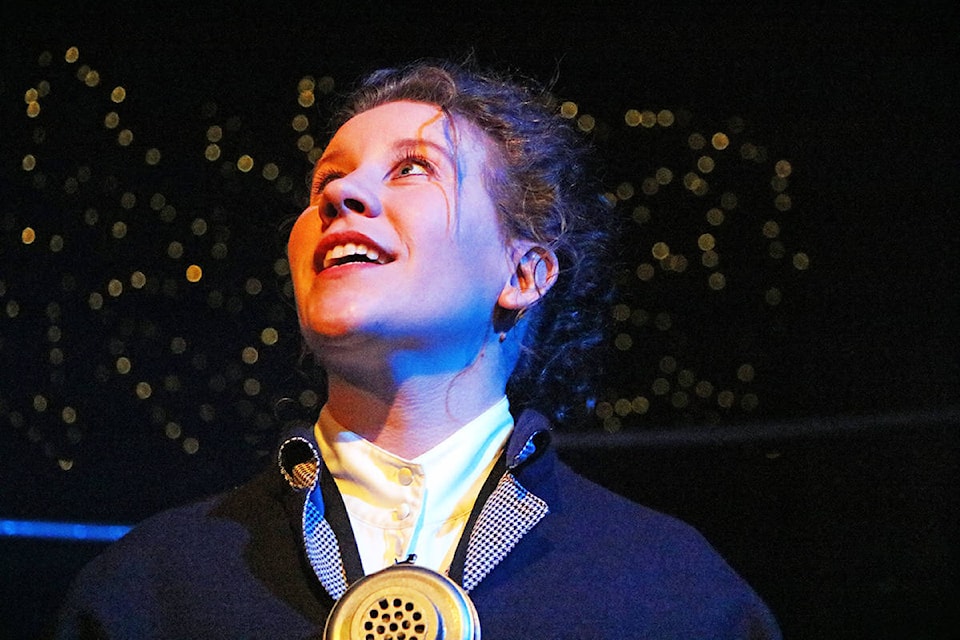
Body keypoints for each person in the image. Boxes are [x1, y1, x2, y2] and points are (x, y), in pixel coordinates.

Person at [56, 60, 781, 639]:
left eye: (412, 169)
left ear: (523, 272)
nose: (341, 198)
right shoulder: (151, 587)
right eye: (326, 181)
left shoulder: (671, 593)